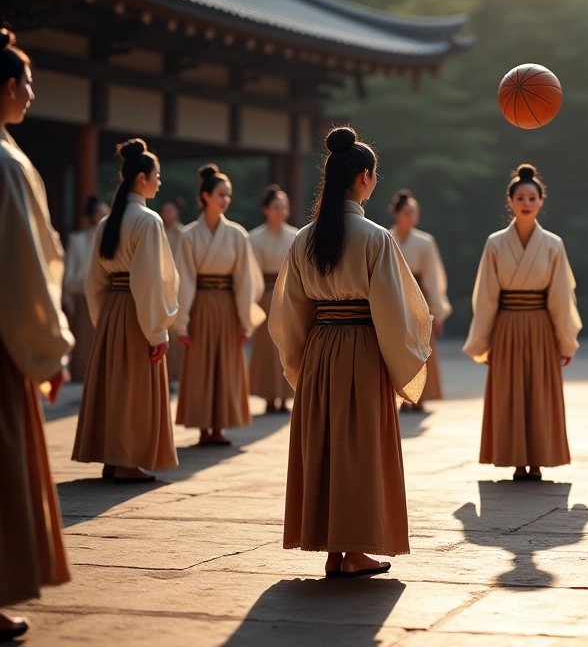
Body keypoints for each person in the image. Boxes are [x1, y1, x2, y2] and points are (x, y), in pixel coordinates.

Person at [269, 126, 432, 578]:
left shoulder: (304, 238)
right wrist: (403, 364)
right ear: (364, 177)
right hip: (363, 348)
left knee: (325, 446)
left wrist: (301, 362)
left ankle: (332, 549)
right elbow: (395, 312)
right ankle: (355, 551)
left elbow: (288, 314)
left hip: (320, 349)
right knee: (360, 448)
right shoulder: (376, 238)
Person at [0, 26, 73, 641]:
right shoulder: (7, 164)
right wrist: (49, 350)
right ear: (5, 87)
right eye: (25, 82)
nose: (30, 93)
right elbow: (26, 264)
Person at [463, 164, 582, 481]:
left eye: (532, 197)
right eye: (520, 198)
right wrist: (483, 342)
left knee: (539, 392)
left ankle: (539, 460)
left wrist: (565, 340)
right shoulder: (495, 243)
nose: (526, 203)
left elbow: (561, 297)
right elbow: (486, 296)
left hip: (541, 326)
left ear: (541, 201)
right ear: (510, 201)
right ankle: (515, 460)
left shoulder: (554, 244)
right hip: (506, 326)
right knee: (509, 392)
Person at [71, 139, 179, 483]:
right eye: (156, 175)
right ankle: (128, 461)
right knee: (134, 387)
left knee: (114, 385)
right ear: (142, 178)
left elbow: (94, 282)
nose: (159, 182)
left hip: (112, 309)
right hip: (137, 311)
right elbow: (150, 280)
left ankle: (111, 457)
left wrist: (103, 319)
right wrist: (157, 330)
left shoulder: (107, 223)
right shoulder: (148, 221)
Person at [173, 165, 264, 446]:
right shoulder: (188, 235)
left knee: (226, 366)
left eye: (229, 195)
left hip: (227, 306)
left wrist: (245, 322)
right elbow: (184, 280)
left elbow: (245, 280)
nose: (225, 199)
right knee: (200, 366)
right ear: (205, 196)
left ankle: (219, 427)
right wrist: (181, 323)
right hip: (199, 305)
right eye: (220, 194)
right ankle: (203, 427)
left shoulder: (237, 234)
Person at [388, 189, 452, 412]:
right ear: (396, 214)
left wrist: (437, 312)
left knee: (421, 349)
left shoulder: (425, 242)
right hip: (394, 299)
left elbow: (433, 278)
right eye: (407, 212)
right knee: (397, 350)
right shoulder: (386, 238)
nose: (411, 216)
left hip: (418, 301)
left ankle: (420, 397)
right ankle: (401, 396)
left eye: (414, 212)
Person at [249, 185, 298, 414]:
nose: (281, 211)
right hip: (265, 296)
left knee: (288, 346)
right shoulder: (254, 238)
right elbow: (251, 274)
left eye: (284, 207)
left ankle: (285, 396)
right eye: (276, 207)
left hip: (288, 297)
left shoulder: (295, 236)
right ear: (266, 209)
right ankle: (269, 396)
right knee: (266, 349)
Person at [63, 195, 110, 380]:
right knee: (83, 338)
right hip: (81, 294)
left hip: (103, 294)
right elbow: (68, 270)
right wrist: (67, 299)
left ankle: (100, 375)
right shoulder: (78, 239)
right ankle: (82, 375)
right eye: (100, 213)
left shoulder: (110, 238)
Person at [159, 196, 187, 384]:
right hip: (160, 286)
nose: (167, 214)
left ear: (177, 212)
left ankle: (177, 374)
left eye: (170, 210)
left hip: (180, 286)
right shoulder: (157, 231)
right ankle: (164, 373)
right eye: (164, 211)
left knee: (179, 329)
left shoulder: (184, 234)